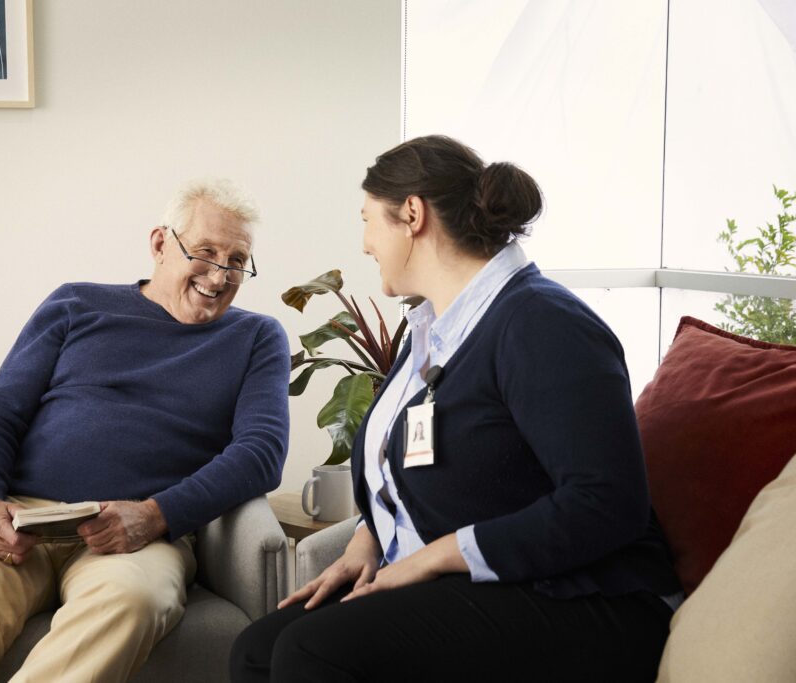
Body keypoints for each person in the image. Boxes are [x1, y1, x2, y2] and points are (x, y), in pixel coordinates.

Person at [230, 136, 682, 682]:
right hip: (479, 586)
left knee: (311, 652)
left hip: (588, 597)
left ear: (412, 215)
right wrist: (368, 537)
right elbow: (423, 464)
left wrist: (434, 556)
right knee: (256, 649)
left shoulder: (543, 324)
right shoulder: (429, 330)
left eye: (369, 220)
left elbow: (608, 504)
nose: (365, 243)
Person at [0, 179, 291, 683]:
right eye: (205, 252)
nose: (220, 273)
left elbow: (261, 452)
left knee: (133, 601)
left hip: (139, 534)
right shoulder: (77, 303)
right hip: (20, 513)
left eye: (236, 260)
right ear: (161, 244)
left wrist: (153, 515)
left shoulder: (255, 337)